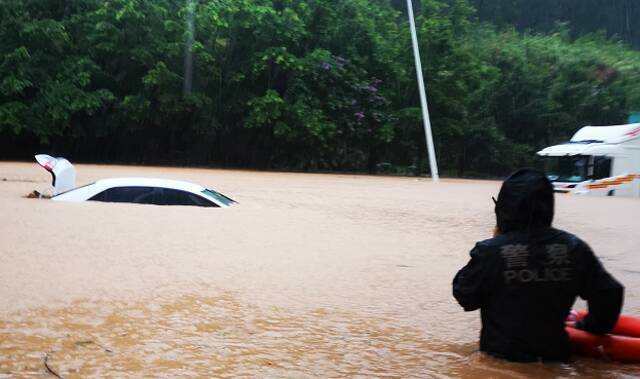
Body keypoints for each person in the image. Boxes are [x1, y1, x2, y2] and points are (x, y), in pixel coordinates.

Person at [452, 168, 624, 362]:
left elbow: (465, 295)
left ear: (503, 209)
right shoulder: (574, 248)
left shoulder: (490, 251)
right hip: (556, 358)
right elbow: (610, 292)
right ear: (548, 206)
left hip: (500, 360)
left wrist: (495, 243)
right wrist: (589, 328)